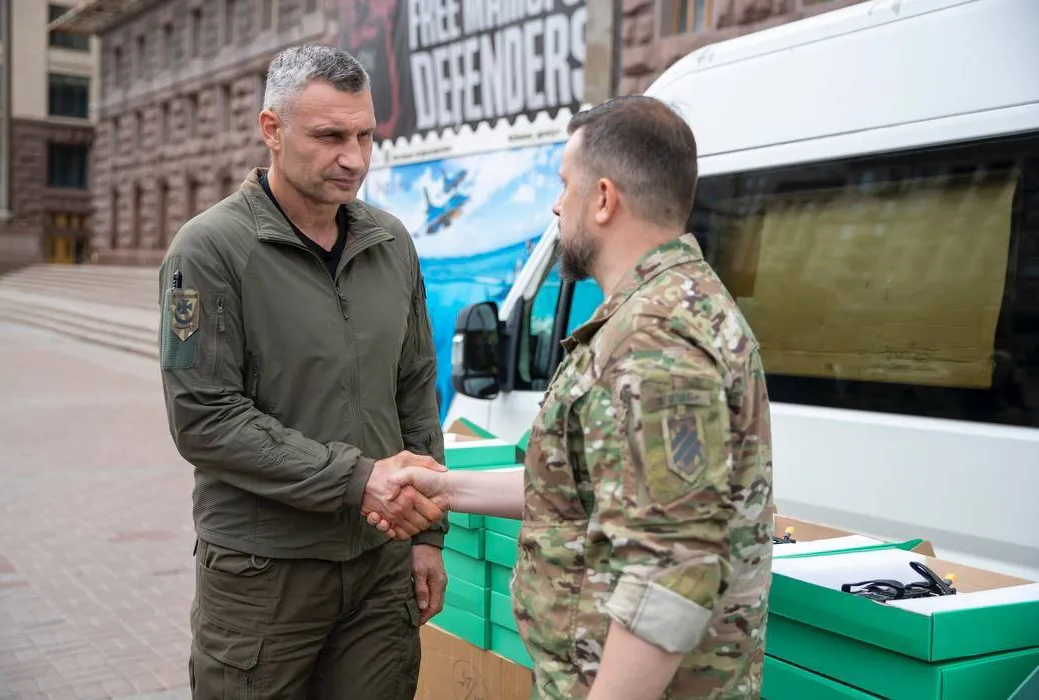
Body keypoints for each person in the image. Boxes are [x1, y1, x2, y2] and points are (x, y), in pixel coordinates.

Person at [368, 95, 775, 699]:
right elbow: (582, 488)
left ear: (605, 199)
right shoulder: (655, 314)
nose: (558, 205)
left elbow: (670, 572)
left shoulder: (654, 341)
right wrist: (441, 487)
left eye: (566, 185)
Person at [158, 44, 448, 699]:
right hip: (265, 576)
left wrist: (427, 534)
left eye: (366, 135)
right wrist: (357, 479)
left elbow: (415, 391)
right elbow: (203, 419)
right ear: (272, 129)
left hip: (380, 568)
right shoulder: (204, 252)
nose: (354, 158)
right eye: (329, 136)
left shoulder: (391, 243)